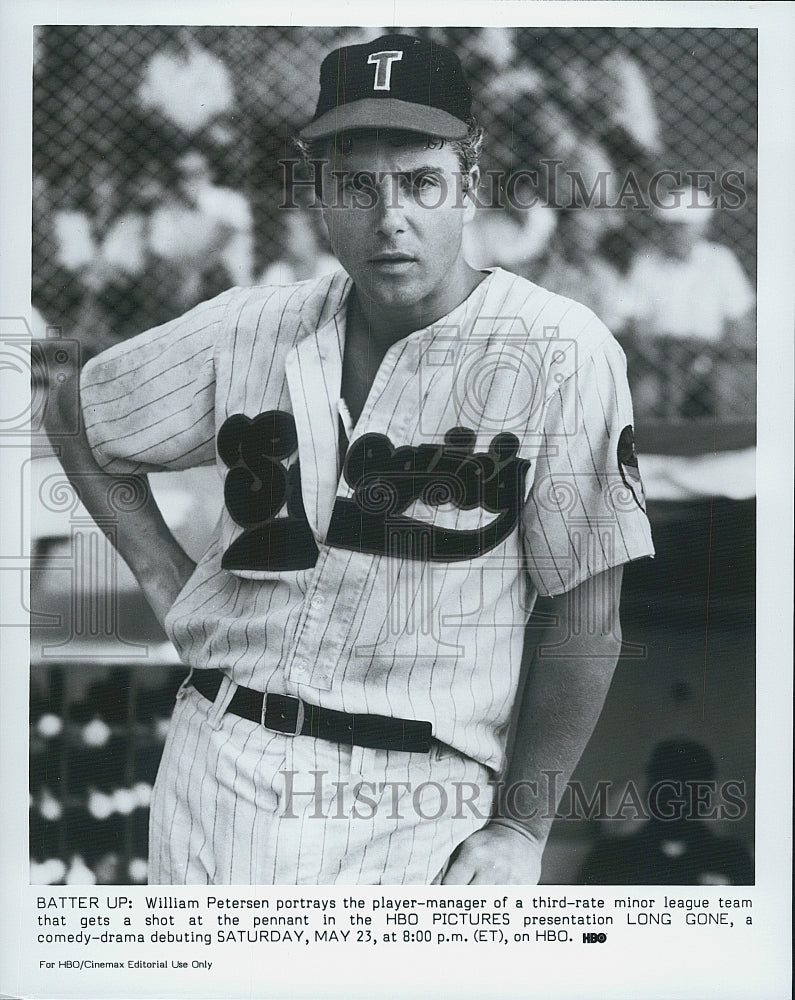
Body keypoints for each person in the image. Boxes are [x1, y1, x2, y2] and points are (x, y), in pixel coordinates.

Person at [42, 33, 654, 885]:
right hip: (222, 763)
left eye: (418, 182)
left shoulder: (560, 349)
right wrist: (158, 575)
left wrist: (520, 827)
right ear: (320, 197)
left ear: (468, 187)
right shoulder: (246, 326)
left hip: (418, 800)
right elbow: (77, 412)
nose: (388, 215)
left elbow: (585, 618)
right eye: (356, 185)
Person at [578, 740, 753, 885]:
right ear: (649, 793)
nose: (677, 799)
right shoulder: (610, 857)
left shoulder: (732, 857)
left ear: (706, 798)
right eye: (666, 787)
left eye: (689, 789)